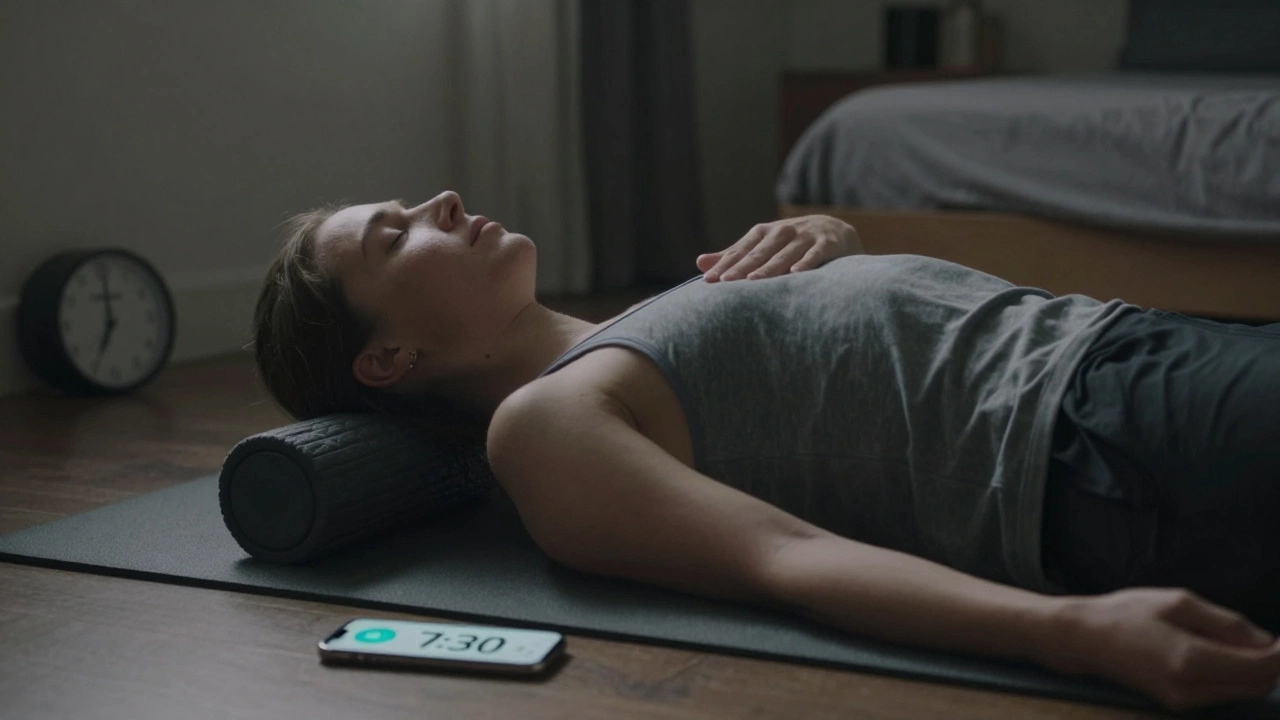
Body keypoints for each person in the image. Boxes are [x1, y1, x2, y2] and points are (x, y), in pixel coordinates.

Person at [252, 190, 1280, 713]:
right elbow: (782, 556)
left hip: (1125, 343)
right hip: (1092, 442)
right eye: (393, 238)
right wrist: (1077, 634)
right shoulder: (541, 426)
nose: (437, 202)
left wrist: (829, 242)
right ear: (386, 357)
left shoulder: (642, 317)